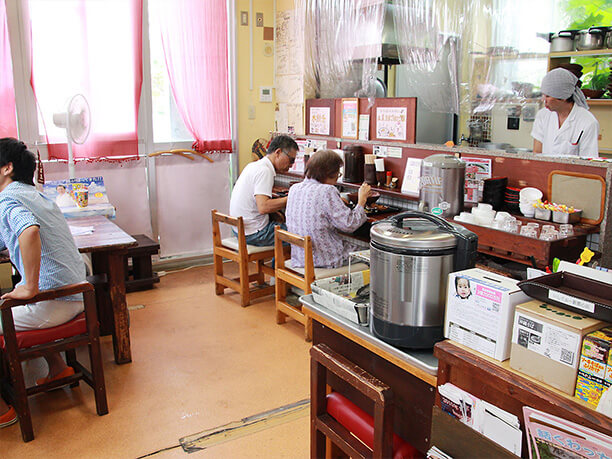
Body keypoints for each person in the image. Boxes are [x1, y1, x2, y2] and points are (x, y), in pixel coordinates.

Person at [0, 138, 87, 428]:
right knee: (20, 302)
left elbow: (29, 232)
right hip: (75, 294)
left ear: (7, 168)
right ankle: (58, 369)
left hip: (55, 300)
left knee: (17, 301)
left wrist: (29, 287)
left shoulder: (7, 198)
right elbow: (9, 235)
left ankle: (3, 409)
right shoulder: (33, 194)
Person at [285, 149, 371, 269]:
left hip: (301, 258)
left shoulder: (294, 188)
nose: (337, 178)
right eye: (338, 173)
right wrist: (362, 200)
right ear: (329, 172)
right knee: (373, 255)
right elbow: (349, 224)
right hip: (325, 260)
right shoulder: (327, 191)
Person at [229, 135, 298, 246]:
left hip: (239, 230)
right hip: (254, 233)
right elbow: (264, 207)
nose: (291, 165)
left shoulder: (253, 166)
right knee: (299, 234)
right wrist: (291, 198)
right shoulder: (265, 171)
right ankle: (278, 264)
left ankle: (276, 263)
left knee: (284, 225)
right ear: (278, 152)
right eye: (291, 160)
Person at [531, 67, 599, 158]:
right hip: (545, 171)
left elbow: (588, 161)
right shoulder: (542, 116)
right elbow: (537, 152)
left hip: (571, 172)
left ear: (563, 97)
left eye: (548, 96)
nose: (543, 100)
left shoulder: (588, 122)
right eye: (543, 95)